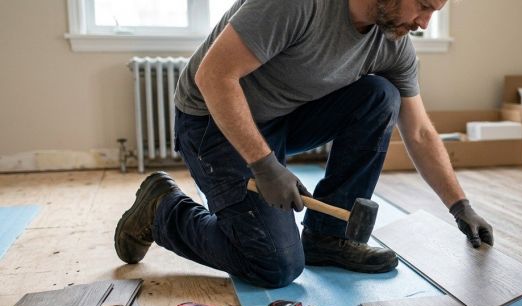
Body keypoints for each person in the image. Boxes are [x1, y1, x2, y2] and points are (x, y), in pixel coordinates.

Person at [114, 0, 494, 289]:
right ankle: (162, 211)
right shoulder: (298, 4)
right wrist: (264, 165)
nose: (424, 23)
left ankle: (326, 237)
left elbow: (420, 132)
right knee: (274, 265)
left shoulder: (392, 42)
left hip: (281, 118)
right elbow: (213, 76)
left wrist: (460, 206)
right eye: (424, 5)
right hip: (211, 120)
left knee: (381, 96)